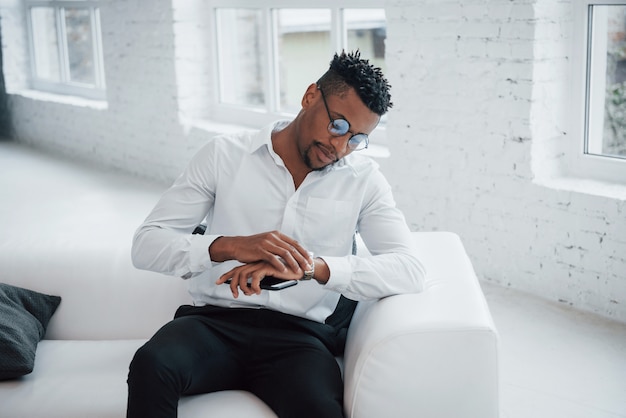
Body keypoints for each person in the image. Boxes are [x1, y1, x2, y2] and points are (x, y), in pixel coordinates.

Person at [127, 50, 426, 418]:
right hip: (214, 324)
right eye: (337, 126)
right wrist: (233, 246)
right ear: (310, 96)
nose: (339, 146)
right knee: (151, 364)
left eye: (356, 139)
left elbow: (410, 269)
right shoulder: (224, 155)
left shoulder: (364, 181)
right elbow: (145, 245)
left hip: (300, 340)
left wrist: (311, 268)